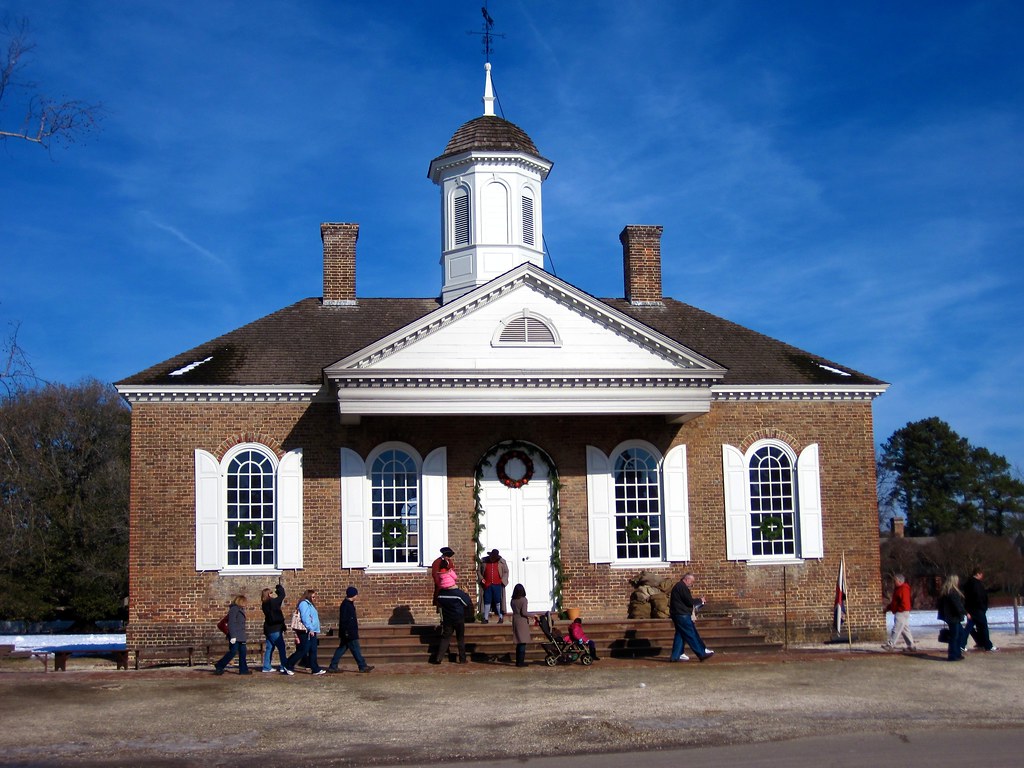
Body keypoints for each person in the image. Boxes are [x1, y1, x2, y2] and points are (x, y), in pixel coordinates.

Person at [327, 586, 375, 673]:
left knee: (342, 649)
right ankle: (362, 666)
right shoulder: (346, 605)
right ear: (353, 595)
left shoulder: (348, 604)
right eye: (356, 594)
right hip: (349, 632)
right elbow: (344, 620)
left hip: (349, 631)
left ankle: (333, 665)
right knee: (355, 649)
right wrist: (346, 632)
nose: (357, 596)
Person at [669, 572, 714, 662]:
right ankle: (701, 653)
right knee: (691, 634)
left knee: (680, 634)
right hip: (682, 615)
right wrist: (700, 600)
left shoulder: (678, 586)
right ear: (687, 579)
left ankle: (676, 655)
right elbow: (689, 601)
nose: (691, 584)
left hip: (677, 614)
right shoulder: (682, 587)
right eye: (691, 582)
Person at [283, 589, 326, 675]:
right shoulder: (304, 604)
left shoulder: (310, 605)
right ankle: (288, 664)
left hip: (313, 630)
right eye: (313, 597)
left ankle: (315, 668)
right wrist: (310, 628)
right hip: (306, 631)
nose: (314, 598)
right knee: (303, 649)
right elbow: (305, 617)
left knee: (313, 650)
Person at [431, 581, 473, 664]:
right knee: (460, 638)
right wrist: (466, 593)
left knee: (445, 638)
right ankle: (462, 659)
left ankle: (439, 657)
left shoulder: (441, 593)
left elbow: (439, 602)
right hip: (458, 618)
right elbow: (466, 603)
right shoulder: (458, 593)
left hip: (447, 619)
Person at [214, 595, 250, 675]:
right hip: (235, 635)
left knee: (243, 652)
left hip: (241, 635)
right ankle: (219, 665)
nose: (245, 603)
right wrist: (233, 636)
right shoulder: (234, 610)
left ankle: (243, 669)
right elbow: (231, 623)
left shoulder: (241, 610)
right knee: (233, 652)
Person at [963, 568, 997, 652]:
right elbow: (979, 596)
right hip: (977, 609)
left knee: (970, 627)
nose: (982, 576)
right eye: (981, 574)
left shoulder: (968, 583)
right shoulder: (976, 584)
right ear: (978, 574)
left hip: (971, 608)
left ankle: (964, 643)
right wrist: (983, 607)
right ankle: (988, 645)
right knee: (983, 627)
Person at [936, 574, 968, 662]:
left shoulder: (946, 591)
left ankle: (956, 653)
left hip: (950, 616)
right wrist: (965, 612)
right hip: (953, 617)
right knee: (955, 636)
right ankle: (953, 655)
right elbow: (957, 605)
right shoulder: (953, 592)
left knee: (959, 634)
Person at [882, 573, 915, 651]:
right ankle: (911, 646)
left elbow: (905, 602)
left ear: (899, 581)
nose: (894, 582)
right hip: (902, 611)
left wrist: (899, 609)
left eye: (895, 580)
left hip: (901, 612)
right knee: (905, 630)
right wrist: (888, 608)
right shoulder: (899, 589)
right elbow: (895, 602)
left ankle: (890, 645)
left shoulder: (903, 589)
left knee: (896, 629)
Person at [260, 584, 288, 672]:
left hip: (268, 628)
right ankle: (283, 666)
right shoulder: (272, 602)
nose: (272, 595)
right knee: (281, 647)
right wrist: (279, 587)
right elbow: (282, 595)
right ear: (268, 594)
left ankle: (266, 666)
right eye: (271, 593)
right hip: (275, 628)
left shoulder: (264, 604)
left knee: (269, 648)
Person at [478, 549, 509, 623]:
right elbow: (478, 570)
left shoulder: (502, 562)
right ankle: (485, 618)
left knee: (498, 601)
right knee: (487, 601)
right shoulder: (484, 561)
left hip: (497, 585)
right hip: (487, 585)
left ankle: (500, 617)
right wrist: (481, 578)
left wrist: (503, 580)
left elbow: (506, 571)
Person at [509, 583, 532, 667]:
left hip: (515, 620)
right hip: (522, 621)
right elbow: (524, 612)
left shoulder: (513, 600)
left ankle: (518, 661)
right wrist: (533, 615)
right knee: (522, 642)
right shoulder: (523, 600)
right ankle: (520, 662)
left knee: (519, 642)